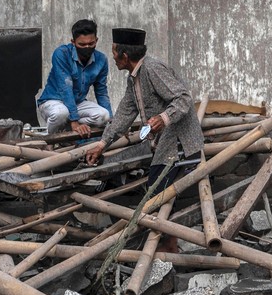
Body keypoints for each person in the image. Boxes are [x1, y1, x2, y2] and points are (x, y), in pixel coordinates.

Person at [84, 27, 204, 194]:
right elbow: (124, 114)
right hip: (158, 143)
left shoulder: (152, 68)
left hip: (178, 145)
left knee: (156, 194)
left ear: (124, 56)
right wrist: (102, 145)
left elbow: (183, 98)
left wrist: (164, 118)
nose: (112, 57)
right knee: (113, 165)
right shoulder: (133, 78)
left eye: (114, 52)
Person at [37, 19, 112, 137]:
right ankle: (49, 141)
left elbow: (101, 92)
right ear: (73, 42)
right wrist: (74, 121)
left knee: (104, 116)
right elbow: (65, 87)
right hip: (53, 101)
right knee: (61, 113)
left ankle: (65, 129)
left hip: (77, 103)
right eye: (82, 44)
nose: (87, 47)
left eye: (91, 43)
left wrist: (112, 123)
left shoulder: (101, 59)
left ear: (96, 40)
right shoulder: (61, 54)